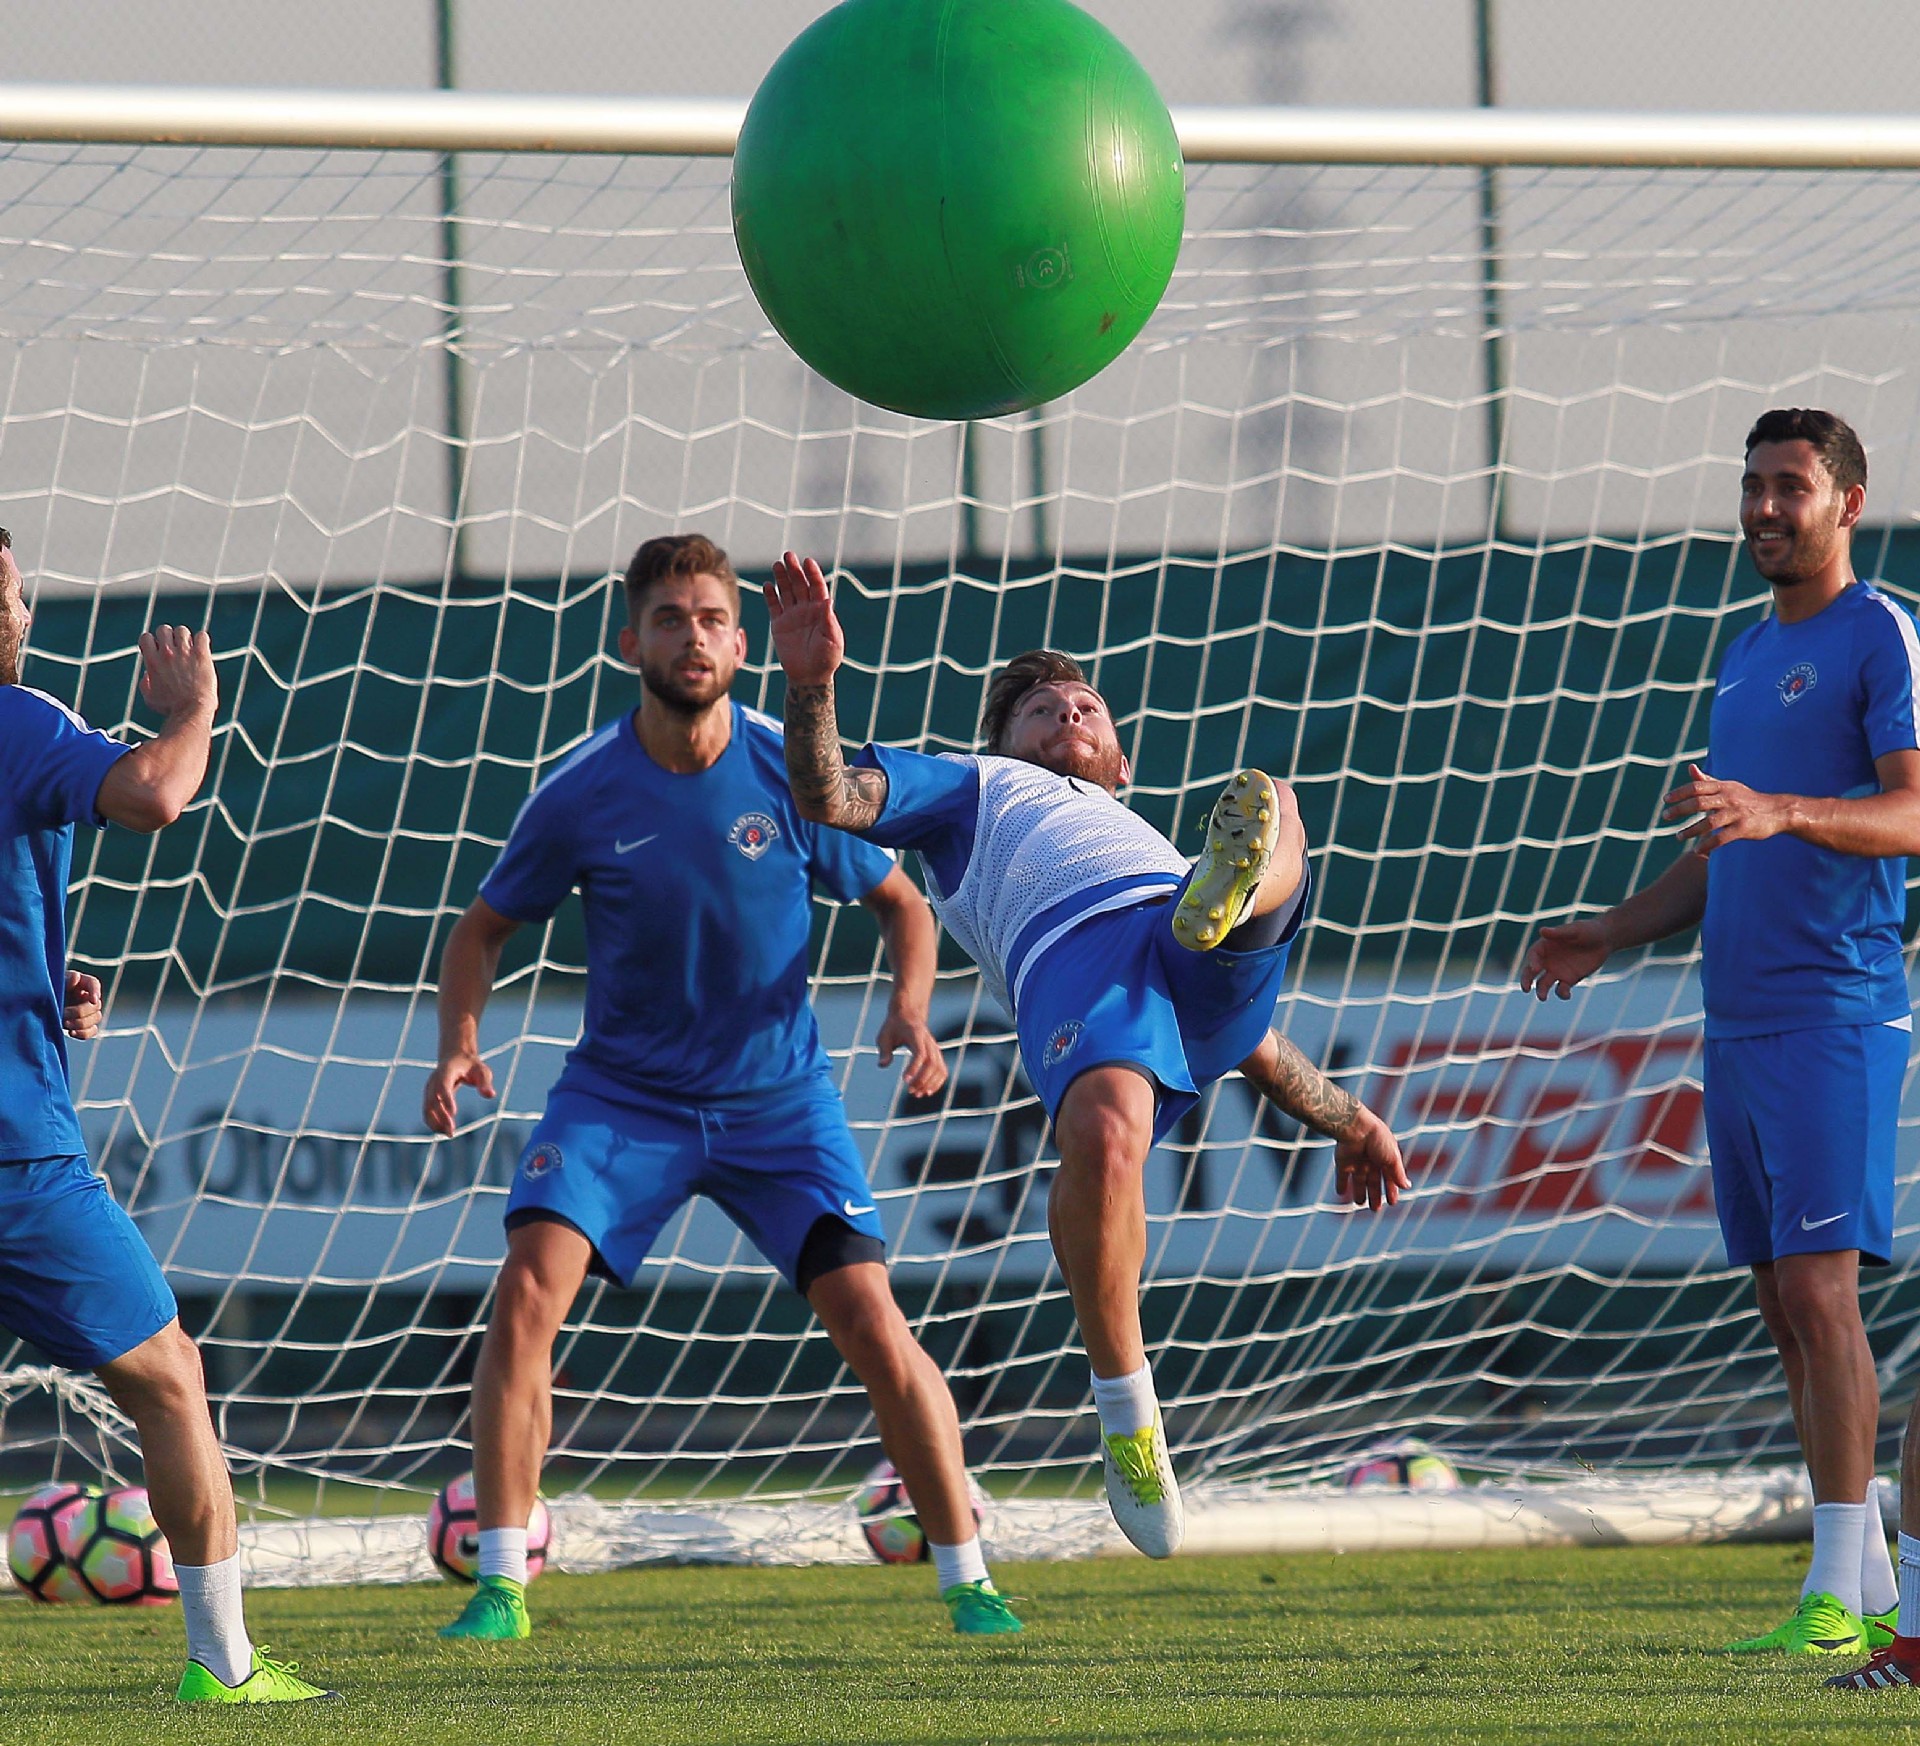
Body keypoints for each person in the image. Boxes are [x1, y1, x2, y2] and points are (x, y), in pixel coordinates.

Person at [426, 533, 1020, 1641]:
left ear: (742, 646)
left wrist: (909, 1008)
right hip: (623, 1102)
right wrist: (460, 1039)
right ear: (630, 643)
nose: (690, 638)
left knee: (874, 1323)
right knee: (525, 1294)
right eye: (669, 619)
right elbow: (482, 927)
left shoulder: (789, 772)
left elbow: (902, 901)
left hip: (777, 1103)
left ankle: (970, 1582)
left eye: (710, 619)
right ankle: (501, 1584)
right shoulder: (581, 790)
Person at [764, 550, 1408, 1559]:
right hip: (1080, 957)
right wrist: (813, 686)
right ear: (1004, 744)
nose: (1067, 711)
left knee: (1276, 800)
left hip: (1185, 925)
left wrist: (1351, 1119)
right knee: (1107, 1136)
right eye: (1040, 710)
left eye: (1087, 707)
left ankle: (1243, 887)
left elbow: (1252, 1045)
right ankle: (1129, 1414)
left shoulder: (1141, 833)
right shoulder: (978, 786)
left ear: (1121, 764)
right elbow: (831, 798)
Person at [1522, 408, 1920, 1662]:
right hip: (1738, 1020)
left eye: (1790, 486)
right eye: (1752, 484)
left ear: (1847, 502)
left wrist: (1785, 808)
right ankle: (1868, 1586)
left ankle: (1836, 1595)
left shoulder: (1882, 633)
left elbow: (1912, 811)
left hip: (1836, 1007)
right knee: (1780, 1303)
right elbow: (1724, 849)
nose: (1763, 507)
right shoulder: (1748, 655)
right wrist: (1609, 930)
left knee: (1819, 1290)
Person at [0, 530, 332, 1703]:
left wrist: (40, 981)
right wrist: (194, 711)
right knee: (170, 1379)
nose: (14, 610)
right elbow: (154, 793)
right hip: (14, 1160)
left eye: (11, 588)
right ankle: (224, 1666)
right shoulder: (14, 718)